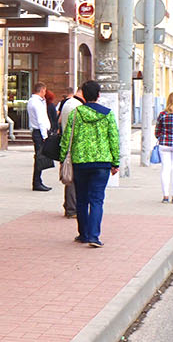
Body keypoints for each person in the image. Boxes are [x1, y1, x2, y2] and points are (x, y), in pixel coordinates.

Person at [60, 79, 120, 248]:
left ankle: (83, 234)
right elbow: (114, 139)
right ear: (98, 95)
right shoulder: (108, 114)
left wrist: (63, 158)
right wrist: (115, 162)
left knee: (81, 199)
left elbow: (66, 139)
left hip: (80, 163)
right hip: (102, 163)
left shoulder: (75, 114)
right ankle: (94, 236)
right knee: (97, 200)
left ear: (84, 96)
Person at [57, 85, 84, 219]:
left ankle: (69, 206)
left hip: (67, 145)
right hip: (73, 147)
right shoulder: (77, 106)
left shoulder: (68, 103)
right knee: (73, 179)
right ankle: (72, 208)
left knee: (70, 178)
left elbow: (60, 121)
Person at [26, 81, 52, 192]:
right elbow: (41, 120)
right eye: (44, 91)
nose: (45, 93)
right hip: (39, 132)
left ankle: (38, 181)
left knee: (39, 157)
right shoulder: (36, 102)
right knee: (40, 157)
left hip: (37, 132)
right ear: (42, 90)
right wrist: (45, 135)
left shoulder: (34, 101)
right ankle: (37, 182)